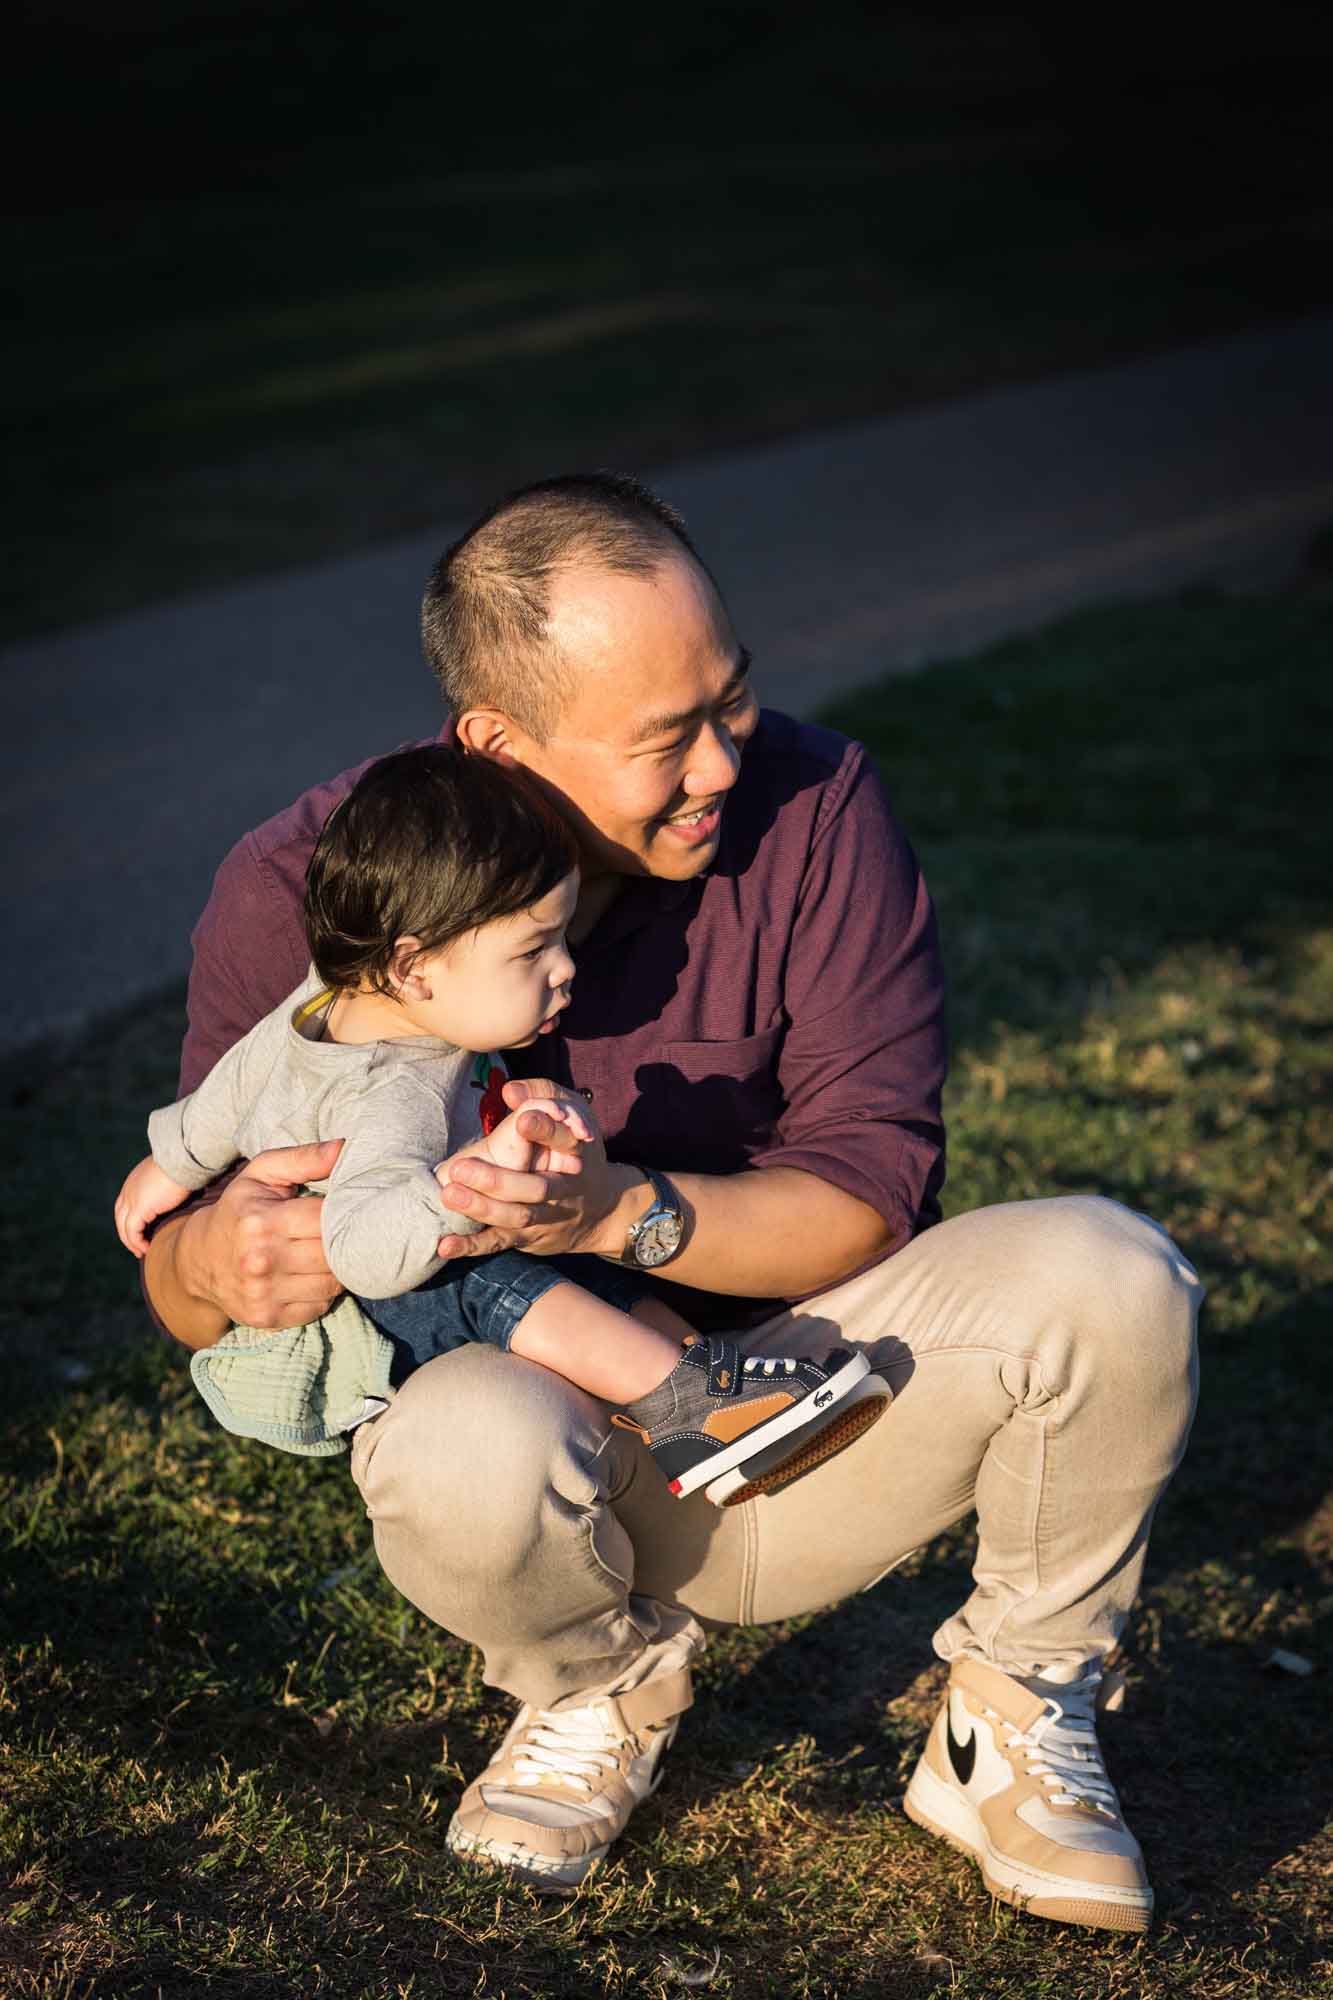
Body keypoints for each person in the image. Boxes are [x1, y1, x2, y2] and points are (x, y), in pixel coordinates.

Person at [143, 472, 1201, 1927]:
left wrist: (602, 1212)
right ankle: (594, 1688)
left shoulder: (817, 804)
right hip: (550, 1468)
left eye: (731, 700)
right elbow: (179, 1271)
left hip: (810, 1407)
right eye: (664, 740)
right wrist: (218, 1259)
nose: (719, 764)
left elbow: (869, 1192)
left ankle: (1012, 1711)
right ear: (497, 745)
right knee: (458, 1433)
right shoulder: (308, 885)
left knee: (1110, 1271)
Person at [117, 745, 882, 1491]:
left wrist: (169, 1166)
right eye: (533, 951)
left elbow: (233, 1084)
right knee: (490, 1272)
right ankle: (693, 1408)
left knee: (563, 1245)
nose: (565, 967)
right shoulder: (396, 1095)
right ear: (412, 967)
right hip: (357, 1325)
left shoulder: (321, 994)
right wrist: (462, 1181)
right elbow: (363, 1256)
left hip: (387, 1266)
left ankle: (708, 1382)